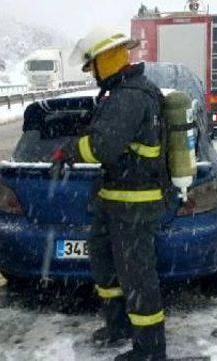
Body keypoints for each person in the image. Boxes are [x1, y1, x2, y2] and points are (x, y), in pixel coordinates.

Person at [56, 27, 167, 360]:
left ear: (106, 61)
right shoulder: (120, 93)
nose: (93, 75)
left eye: (94, 67)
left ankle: (149, 350)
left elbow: (103, 146)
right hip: (115, 198)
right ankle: (118, 325)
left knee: (138, 277)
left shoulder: (130, 96)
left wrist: (70, 151)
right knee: (106, 264)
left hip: (135, 202)